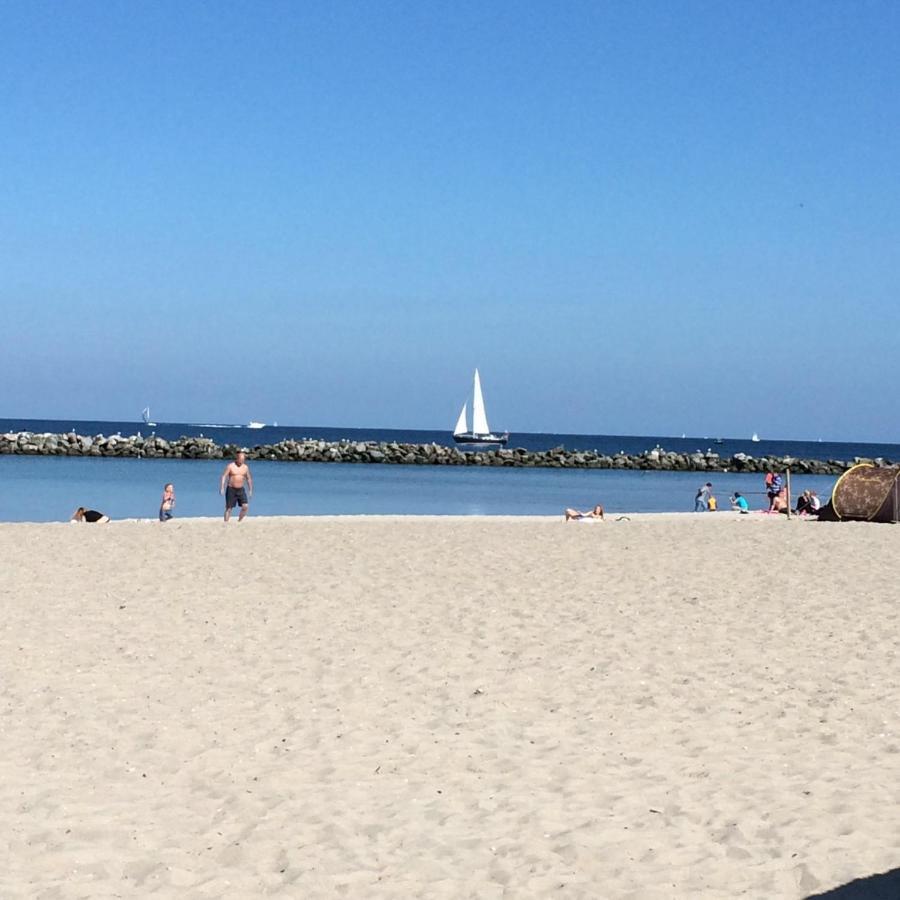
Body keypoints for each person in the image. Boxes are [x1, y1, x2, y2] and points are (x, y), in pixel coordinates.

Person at [220, 450, 253, 522]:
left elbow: (248, 478)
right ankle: (226, 523)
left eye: (243, 460)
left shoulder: (245, 467)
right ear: (237, 458)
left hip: (241, 489)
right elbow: (224, 476)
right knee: (229, 508)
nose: (242, 461)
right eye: (241, 459)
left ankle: (239, 521)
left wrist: (250, 490)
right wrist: (222, 487)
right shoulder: (230, 466)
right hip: (231, 489)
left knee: (245, 506)